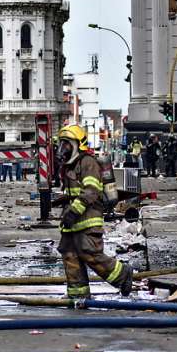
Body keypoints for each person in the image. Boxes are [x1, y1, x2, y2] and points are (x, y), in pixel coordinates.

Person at [55, 125, 133, 299]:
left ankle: (123, 274)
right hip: (72, 222)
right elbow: (72, 193)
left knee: (89, 253)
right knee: (69, 255)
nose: (63, 148)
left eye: (67, 144)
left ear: (77, 144)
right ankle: (78, 295)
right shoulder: (71, 166)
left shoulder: (88, 162)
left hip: (87, 219)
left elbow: (91, 190)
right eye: (62, 144)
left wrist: (73, 212)